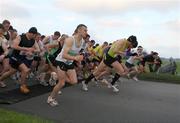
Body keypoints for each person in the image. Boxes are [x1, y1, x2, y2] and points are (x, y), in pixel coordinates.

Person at [47, 24, 87, 106]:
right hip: (61, 61)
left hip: (69, 62)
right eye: (85, 30)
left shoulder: (82, 41)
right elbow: (64, 55)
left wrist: (80, 57)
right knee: (61, 83)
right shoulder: (70, 40)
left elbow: (80, 53)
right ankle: (51, 98)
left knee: (74, 81)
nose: (86, 32)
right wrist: (76, 58)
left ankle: (55, 76)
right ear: (79, 30)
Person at [0, 27, 39, 94]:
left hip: (22, 58)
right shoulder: (20, 37)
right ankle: (22, 86)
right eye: (34, 35)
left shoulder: (33, 40)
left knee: (11, 71)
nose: (35, 37)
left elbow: (38, 50)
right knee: (25, 70)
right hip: (15, 56)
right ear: (31, 33)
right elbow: (13, 46)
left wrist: (32, 51)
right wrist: (26, 49)